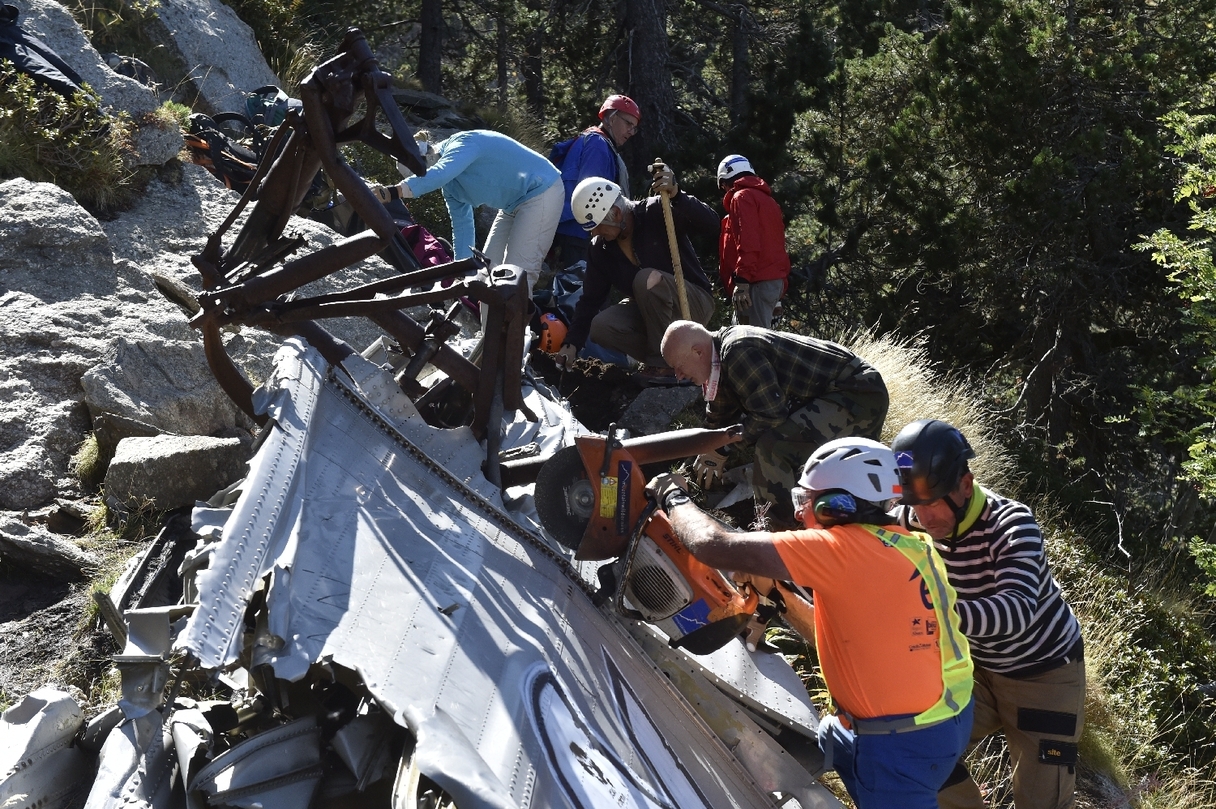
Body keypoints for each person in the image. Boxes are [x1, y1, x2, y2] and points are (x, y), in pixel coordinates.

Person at [646, 437, 975, 809]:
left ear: (838, 506)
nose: (800, 514)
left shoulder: (841, 549)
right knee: (831, 737)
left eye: (806, 502)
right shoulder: (911, 545)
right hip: (946, 717)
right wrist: (783, 598)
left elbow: (711, 544)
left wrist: (672, 496)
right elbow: (846, 635)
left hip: (900, 746)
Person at [888, 419, 1085, 809]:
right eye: (915, 505)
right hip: (974, 670)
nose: (925, 519)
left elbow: (1016, 611)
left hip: (1045, 675)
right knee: (911, 747)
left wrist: (925, 615)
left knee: (1042, 800)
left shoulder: (1012, 524)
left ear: (966, 484)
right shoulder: (909, 521)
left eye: (934, 502)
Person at [660, 320, 889, 527]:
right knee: (836, 472)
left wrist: (724, 448)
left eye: (679, 366)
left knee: (773, 448)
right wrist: (701, 455)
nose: (678, 376)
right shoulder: (718, 360)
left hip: (857, 393)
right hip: (838, 392)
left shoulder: (738, 352)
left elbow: (770, 415)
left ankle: (778, 534)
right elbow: (719, 420)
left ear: (697, 351)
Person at [555, 167, 718, 379]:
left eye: (597, 226)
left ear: (615, 213)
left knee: (646, 279)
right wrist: (572, 343)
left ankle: (663, 365)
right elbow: (589, 300)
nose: (594, 233)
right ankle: (666, 360)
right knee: (601, 326)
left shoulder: (656, 212)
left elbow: (713, 224)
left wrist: (677, 196)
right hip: (652, 316)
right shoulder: (600, 249)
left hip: (692, 303)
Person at [389, 129, 563, 295]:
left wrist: (394, 192)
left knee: (518, 276)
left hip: (541, 191)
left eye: (424, 174)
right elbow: (462, 227)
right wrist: (462, 271)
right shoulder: (451, 188)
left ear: (427, 158)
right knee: (486, 275)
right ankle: (488, 327)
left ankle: (516, 326)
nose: (427, 178)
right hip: (511, 205)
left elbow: (440, 173)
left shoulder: (463, 143)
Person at [549, 94, 641, 269]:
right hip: (580, 231)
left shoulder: (592, 139)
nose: (631, 131)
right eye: (628, 123)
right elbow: (591, 192)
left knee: (570, 286)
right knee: (578, 288)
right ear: (611, 118)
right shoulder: (598, 144)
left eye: (634, 128)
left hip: (572, 227)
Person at [716, 155, 790, 328]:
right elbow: (777, 248)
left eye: (723, 186)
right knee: (756, 342)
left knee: (750, 347)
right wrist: (778, 294)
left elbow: (748, 242)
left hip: (753, 285)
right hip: (768, 284)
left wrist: (742, 282)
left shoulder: (742, 198)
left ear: (726, 181)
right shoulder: (769, 202)